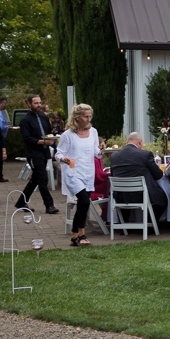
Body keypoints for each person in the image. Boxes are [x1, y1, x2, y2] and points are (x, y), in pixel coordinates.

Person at [55, 104, 102, 245]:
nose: (88, 119)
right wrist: (64, 159)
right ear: (77, 118)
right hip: (73, 172)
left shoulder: (93, 132)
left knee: (83, 204)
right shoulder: (67, 135)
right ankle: (81, 234)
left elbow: (95, 151)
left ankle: (75, 235)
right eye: (85, 116)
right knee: (84, 201)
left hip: (88, 172)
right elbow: (58, 153)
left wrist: (101, 151)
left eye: (90, 116)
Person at [15, 93, 59, 216]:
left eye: (40, 102)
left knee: (36, 179)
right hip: (34, 153)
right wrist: (45, 141)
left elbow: (48, 133)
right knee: (43, 178)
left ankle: (21, 202)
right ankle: (49, 205)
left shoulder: (44, 117)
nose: (39, 105)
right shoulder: (25, 120)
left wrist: (53, 134)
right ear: (29, 104)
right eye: (36, 103)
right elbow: (27, 139)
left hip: (45, 151)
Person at [110, 130, 170, 220]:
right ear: (140, 142)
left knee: (126, 194)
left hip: (120, 196)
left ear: (127, 141)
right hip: (141, 195)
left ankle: (124, 226)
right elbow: (158, 175)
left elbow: (113, 174)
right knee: (163, 198)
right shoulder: (144, 154)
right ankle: (150, 223)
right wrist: (156, 167)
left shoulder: (114, 156)